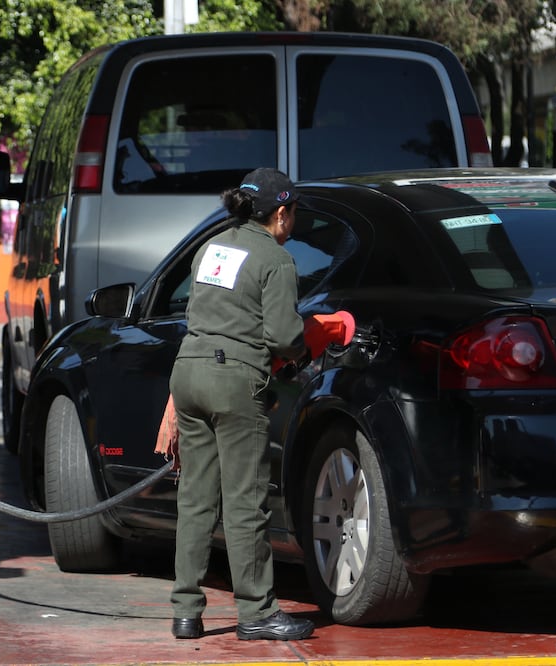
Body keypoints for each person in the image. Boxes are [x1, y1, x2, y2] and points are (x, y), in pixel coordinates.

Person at [167, 167, 351, 641]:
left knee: (196, 498)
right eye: (294, 214)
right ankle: (256, 613)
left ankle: (186, 612)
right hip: (234, 381)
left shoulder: (212, 246)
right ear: (282, 212)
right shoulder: (275, 258)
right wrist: (316, 332)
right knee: (246, 502)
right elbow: (286, 338)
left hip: (188, 373)